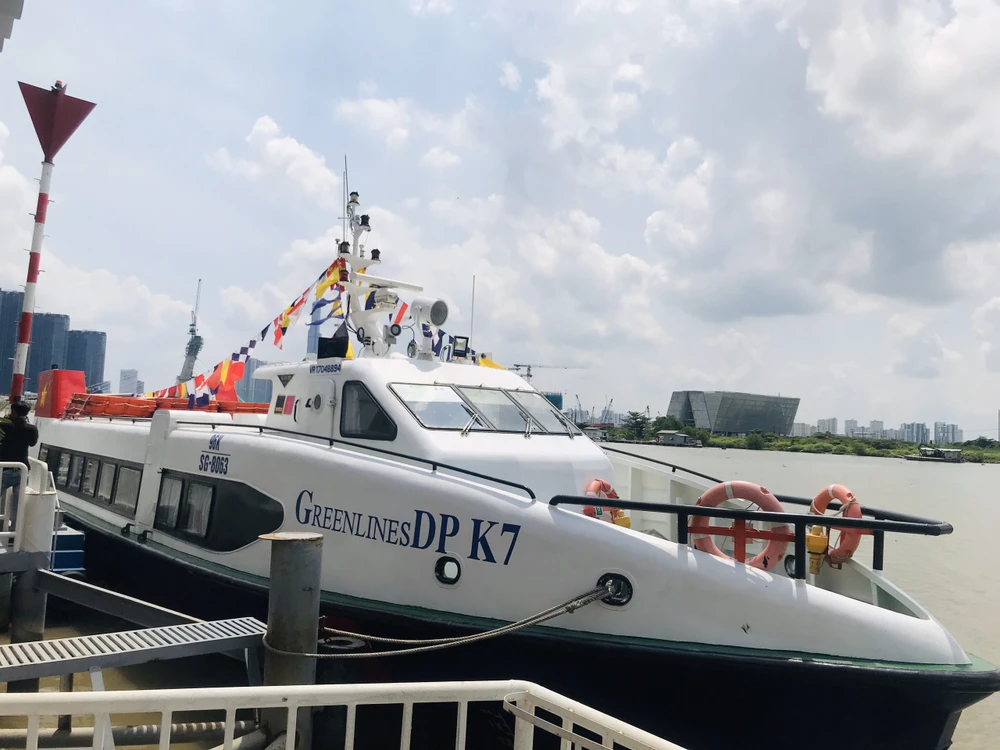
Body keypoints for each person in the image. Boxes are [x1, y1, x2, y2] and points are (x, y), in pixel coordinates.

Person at [0, 400, 39, 520]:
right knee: (18, 504)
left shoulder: (4, 426)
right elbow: (32, 443)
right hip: (22, 469)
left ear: (13, 411)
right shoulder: (31, 429)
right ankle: (14, 528)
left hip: (4, 468)